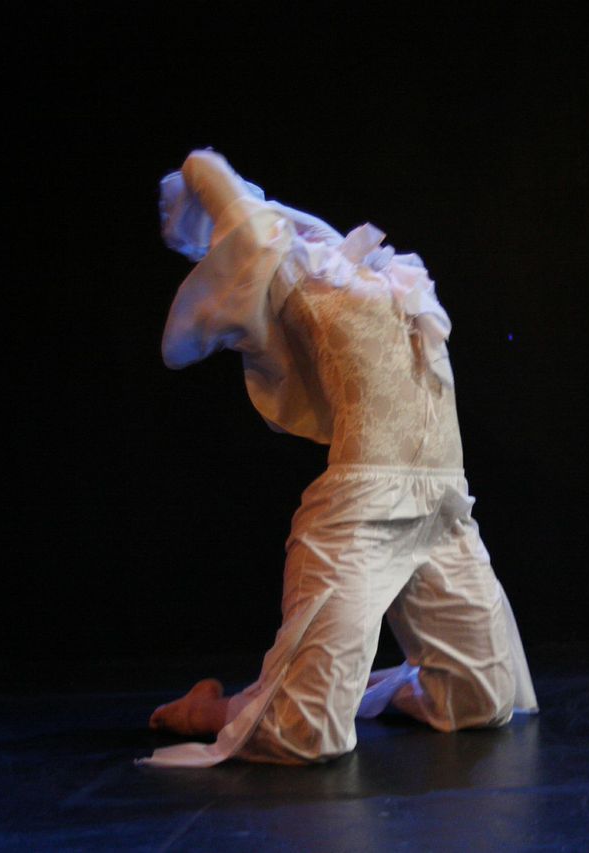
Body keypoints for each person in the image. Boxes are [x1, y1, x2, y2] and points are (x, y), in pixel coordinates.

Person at [139, 150, 537, 767]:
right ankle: (217, 708)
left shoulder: (392, 276)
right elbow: (214, 186)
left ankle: (335, 686)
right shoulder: (297, 274)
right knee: (306, 738)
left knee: (481, 702)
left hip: (443, 506)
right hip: (363, 512)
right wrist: (210, 174)